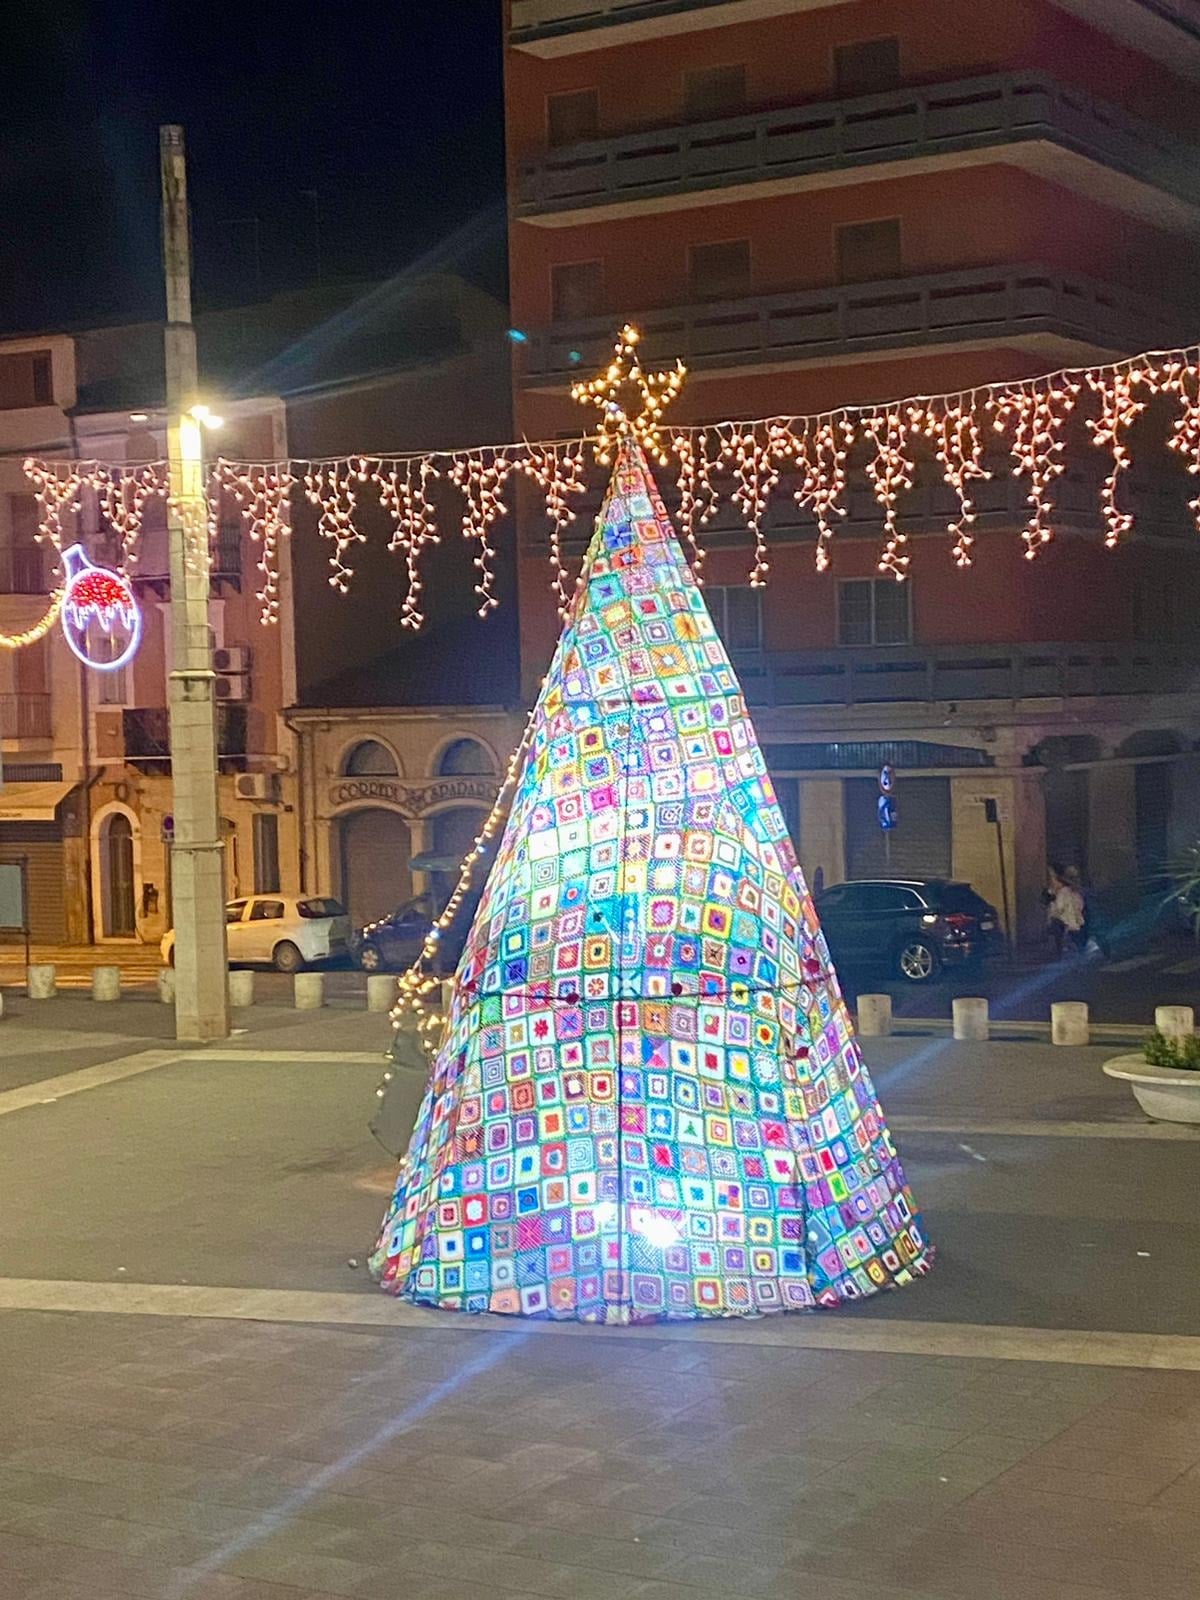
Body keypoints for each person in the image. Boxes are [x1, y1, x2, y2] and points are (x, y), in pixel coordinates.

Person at [1046, 866, 1085, 958]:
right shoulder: (1074, 893)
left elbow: (1059, 908)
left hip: (1066, 924)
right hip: (1072, 924)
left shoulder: (1064, 892)